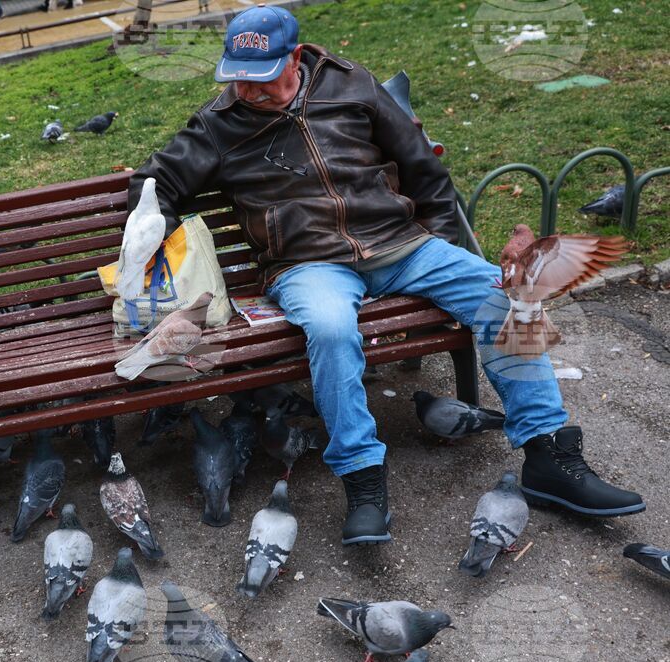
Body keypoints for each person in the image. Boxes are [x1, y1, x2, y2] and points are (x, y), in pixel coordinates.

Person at [127, 5, 645, 546]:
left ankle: (548, 456)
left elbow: (421, 166)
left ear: (296, 58)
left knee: (509, 298)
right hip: (309, 265)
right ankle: (363, 482)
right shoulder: (216, 126)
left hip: (403, 245)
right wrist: (150, 228)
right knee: (329, 330)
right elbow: (151, 185)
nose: (248, 91)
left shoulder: (351, 85)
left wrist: (444, 247)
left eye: (262, 80)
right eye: (238, 78)